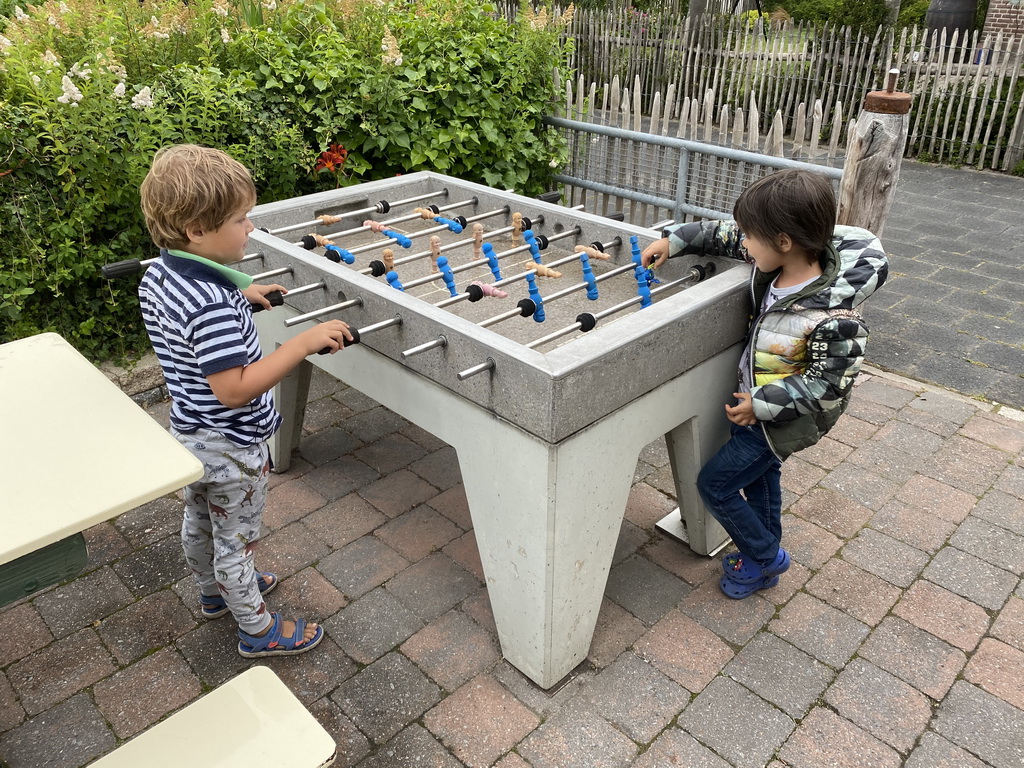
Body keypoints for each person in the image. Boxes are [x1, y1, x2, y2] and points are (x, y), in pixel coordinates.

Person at [138, 144, 353, 654]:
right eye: (240, 219)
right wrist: (300, 344)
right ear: (196, 231)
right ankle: (257, 631)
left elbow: (192, 327)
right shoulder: (210, 304)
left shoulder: (160, 274)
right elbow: (233, 389)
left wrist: (243, 294)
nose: (251, 228)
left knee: (198, 518)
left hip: (190, 432)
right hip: (232, 444)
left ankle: (213, 596)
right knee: (236, 543)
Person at [642, 169, 887, 599]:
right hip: (755, 410)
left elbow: (827, 386)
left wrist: (762, 405)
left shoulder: (836, 317)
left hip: (776, 421)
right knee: (761, 482)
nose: (744, 244)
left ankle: (765, 556)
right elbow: (722, 235)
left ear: (784, 241)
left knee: (714, 485)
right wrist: (675, 240)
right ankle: (763, 558)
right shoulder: (779, 258)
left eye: (750, 237)